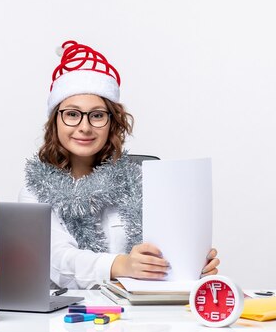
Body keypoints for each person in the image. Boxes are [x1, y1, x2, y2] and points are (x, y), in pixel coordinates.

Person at [19, 40, 220, 290]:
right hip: (68, 315)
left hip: (139, 311)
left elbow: (168, 247)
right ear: (55, 121)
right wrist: (121, 265)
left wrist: (191, 264)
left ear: (113, 123)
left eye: (97, 115)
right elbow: (57, 261)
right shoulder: (34, 190)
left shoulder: (142, 182)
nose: (84, 126)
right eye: (72, 114)